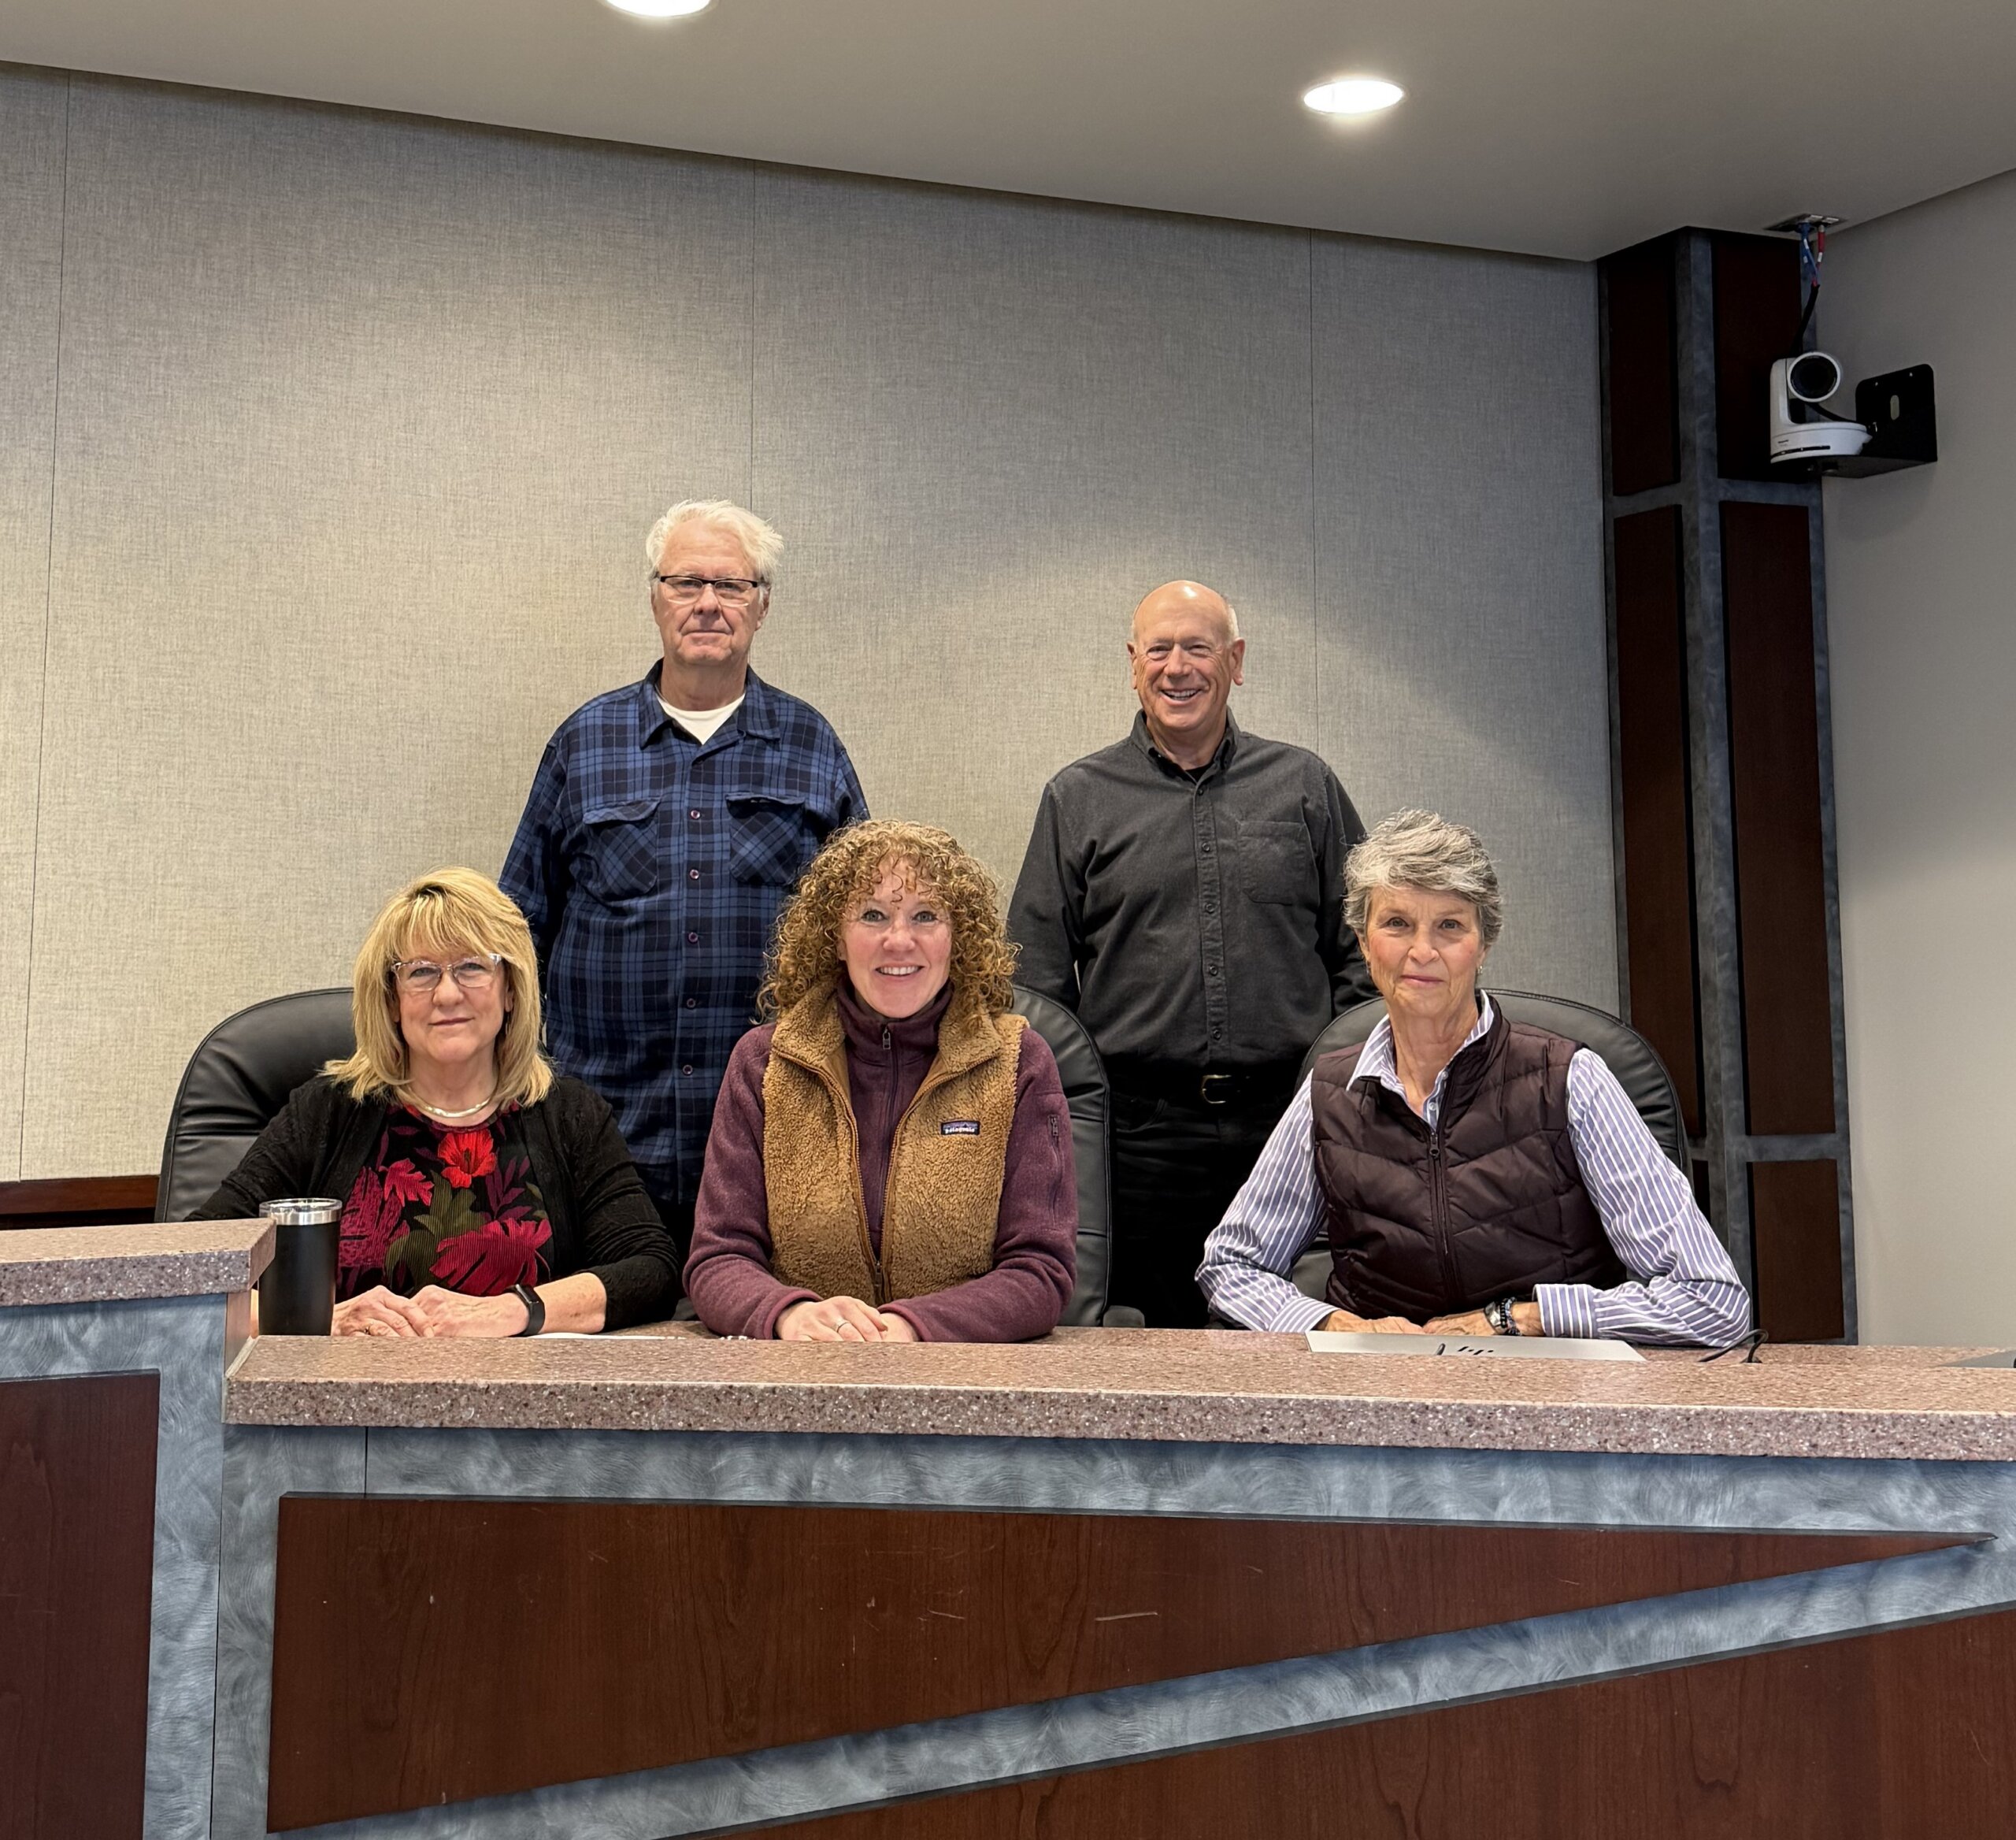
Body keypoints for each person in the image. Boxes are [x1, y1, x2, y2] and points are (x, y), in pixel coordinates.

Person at [1196, 810, 1751, 1345]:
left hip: (1550, 1396)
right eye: (1396, 924)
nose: (1422, 951)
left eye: (1449, 926)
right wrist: (1335, 1325)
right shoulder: (1329, 1093)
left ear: (1483, 944)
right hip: (1379, 1401)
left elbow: (1712, 1301)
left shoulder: (1570, 1080)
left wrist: (1522, 1319)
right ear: (1364, 944)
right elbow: (1230, 1265)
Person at [501, 499, 866, 1260]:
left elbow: (866, 933)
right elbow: (516, 931)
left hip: (768, 1134)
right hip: (600, 1136)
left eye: (732, 586)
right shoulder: (585, 741)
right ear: (655, 596)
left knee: (753, 1348)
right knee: (593, 1344)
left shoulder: (811, 744)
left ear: (762, 607)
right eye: (687, 582)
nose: (708, 604)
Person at [1007, 579, 1375, 1327]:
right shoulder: (1078, 796)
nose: (1179, 668)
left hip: (1291, 1125)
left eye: (1199, 648)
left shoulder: (1304, 785)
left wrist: (1338, 1089)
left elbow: (1366, 950)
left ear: (1235, 661)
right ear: (1133, 663)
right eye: (1160, 649)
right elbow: (1036, 982)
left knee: (1296, 1336)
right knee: (1153, 1346)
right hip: (1139, 1142)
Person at [191, 869, 680, 1336]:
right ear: (392, 1000)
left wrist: (513, 1310)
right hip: (347, 1405)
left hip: (518, 1411)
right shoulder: (327, 1113)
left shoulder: (569, 1116)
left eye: (472, 967)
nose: (447, 995)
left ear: (511, 990)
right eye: (421, 972)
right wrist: (321, 1319)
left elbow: (649, 1269)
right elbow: (192, 1268)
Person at [685, 820, 1077, 1342]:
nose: (899, 940)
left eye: (926, 916)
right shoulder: (764, 1064)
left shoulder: (1017, 1062)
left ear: (957, 938)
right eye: (873, 915)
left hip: (961, 1384)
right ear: (837, 940)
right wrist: (787, 1314)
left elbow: (1040, 1272)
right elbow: (718, 1259)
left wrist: (910, 1327)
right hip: (800, 1377)